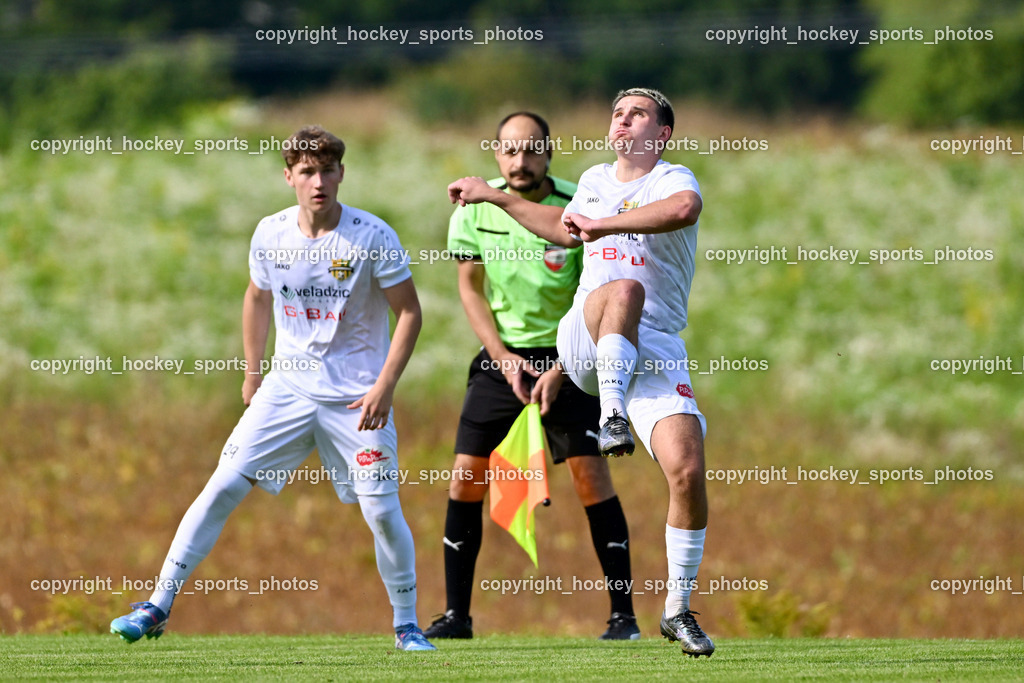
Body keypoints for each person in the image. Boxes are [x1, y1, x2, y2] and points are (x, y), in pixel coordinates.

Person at [110, 125, 436, 652]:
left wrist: (385, 385)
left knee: (380, 510)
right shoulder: (270, 233)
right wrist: (252, 372)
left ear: (341, 174)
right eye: (307, 171)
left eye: (328, 170)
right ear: (289, 177)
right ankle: (156, 606)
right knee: (222, 486)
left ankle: (406, 625)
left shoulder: (372, 235)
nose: (318, 181)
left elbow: (410, 313)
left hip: (357, 399)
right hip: (285, 390)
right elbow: (257, 297)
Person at [446, 89, 714, 657]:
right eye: (618, 112)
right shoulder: (593, 179)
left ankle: (676, 610)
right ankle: (612, 413)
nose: (623, 119)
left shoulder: (672, 179)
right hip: (583, 339)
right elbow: (563, 226)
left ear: (661, 134)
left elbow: (684, 211)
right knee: (621, 287)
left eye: (637, 113)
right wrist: (494, 197)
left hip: (654, 345)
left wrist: (606, 221)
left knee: (687, 470)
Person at [424, 112, 639, 641]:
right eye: (509, 151)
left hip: (570, 358)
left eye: (531, 150)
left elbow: (601, 293)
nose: (520, 162)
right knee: (466, 477)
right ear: (496, 154)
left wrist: (565, 366)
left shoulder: (578, 207)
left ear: (549, 153)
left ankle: (623, 618)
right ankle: (457, 617)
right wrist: (501, 358)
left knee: (592, 479)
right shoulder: (473, 208)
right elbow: (470, 288)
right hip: (504, 361)